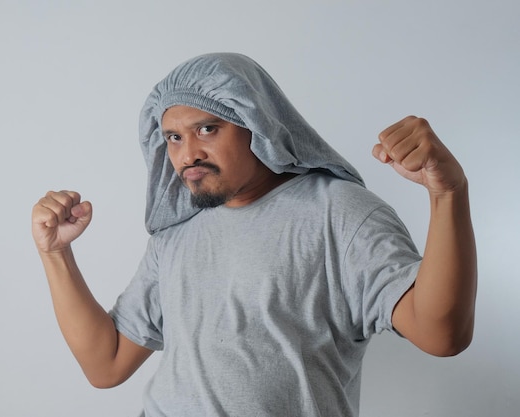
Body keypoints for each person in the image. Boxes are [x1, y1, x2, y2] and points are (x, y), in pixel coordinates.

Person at [31, 53, 477, 416]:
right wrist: (55, 255)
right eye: (172, 137)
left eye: (207, 128)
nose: (188, 154)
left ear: (256, 124)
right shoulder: (178, 234)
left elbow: (442, 335)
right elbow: (106, 364)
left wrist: (447, 194)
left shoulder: (338, 212)